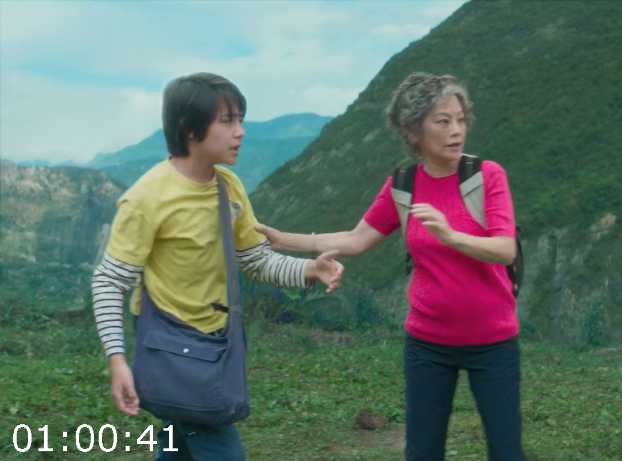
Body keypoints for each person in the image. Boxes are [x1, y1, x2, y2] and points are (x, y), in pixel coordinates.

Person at [254, 72, 525, 461]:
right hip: (428, 342)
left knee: (506, 451)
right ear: (413, 131)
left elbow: (504, 249)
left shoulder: (486, 176)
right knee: (422, 451)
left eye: (460, 119)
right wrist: (285, 240)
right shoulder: (404, 184)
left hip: (493, 341)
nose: (456, 130)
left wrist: (450, 235)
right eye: (442, 121)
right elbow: (357, 239)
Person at [91, 72, 344, 460]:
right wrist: (117, 358)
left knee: (179, 444)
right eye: (227, 121)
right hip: (173, 344)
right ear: (189, 127)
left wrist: (311, 269)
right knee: (218, 444)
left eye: (240, 119)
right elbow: (110, 281)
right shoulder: (147, 198)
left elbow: (255, 258)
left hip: (215, 342)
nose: (240, 132)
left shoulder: (229, 187)